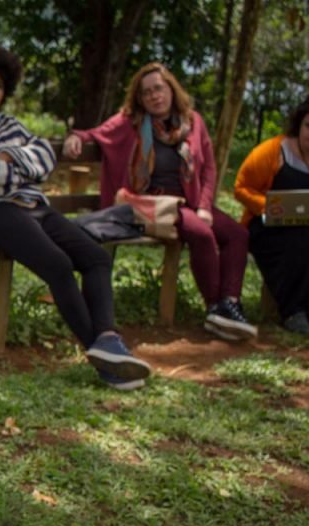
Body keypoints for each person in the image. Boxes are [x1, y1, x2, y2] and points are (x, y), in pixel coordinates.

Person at [0, 43, 151, 390]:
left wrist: (6, 156)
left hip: (33, 208)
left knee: (95, 258)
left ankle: (108, 340)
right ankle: (105, 360)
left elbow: (45, 158)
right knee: (58, 264)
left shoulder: (9, 125)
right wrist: (20, 165)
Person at [64, 62, 258, 341]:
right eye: (146, 93)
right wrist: (76, 137)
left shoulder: (193, 122)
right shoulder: (129, 123)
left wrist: (204, 206)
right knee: (202, 234)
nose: (154, 96)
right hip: (152, 205)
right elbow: (94, 134)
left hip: (190, 201)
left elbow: (208, 169)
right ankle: (214, 309)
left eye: (159, 88)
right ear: (139, 99)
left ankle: (230, 302)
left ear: (171, 89)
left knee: (237, 234)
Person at [234, 93, 309, 333]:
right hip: (270, 228)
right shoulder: (272, 151)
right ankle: (294, 311)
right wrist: (267, 206)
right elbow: (241, 187)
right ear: (299, 124)